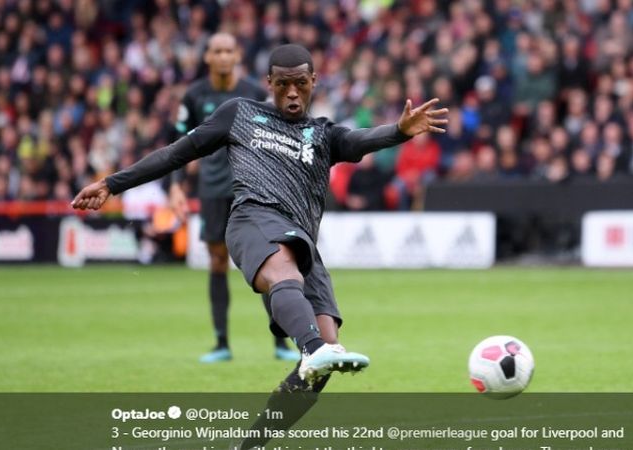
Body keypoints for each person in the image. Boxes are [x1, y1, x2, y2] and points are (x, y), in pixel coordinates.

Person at [72, 43, 446, 412]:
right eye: (283, 84)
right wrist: (111, 184)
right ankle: (310, 348)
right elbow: (177, 152)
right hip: (253, 219)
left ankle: (256, 439)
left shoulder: (324, 134)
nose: (293, 92)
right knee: (300, 304)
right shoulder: (240, 113)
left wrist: (398, 131)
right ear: (269, 83)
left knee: (324, 358)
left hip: (301, 243)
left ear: (314, 81)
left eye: (300, 83)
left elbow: (359, 139)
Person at [169, 32, 298, 363]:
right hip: (212, 189)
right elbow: (178, 144)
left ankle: (281, 342)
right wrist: (175, 185)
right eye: (217, 51)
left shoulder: (255, 94)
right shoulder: (195, 96)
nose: (224, 56)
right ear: (208, 57)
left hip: (253, 189)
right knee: (216, 260)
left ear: (238, 54)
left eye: (229, 50)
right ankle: (222, 343)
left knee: (269, 261)